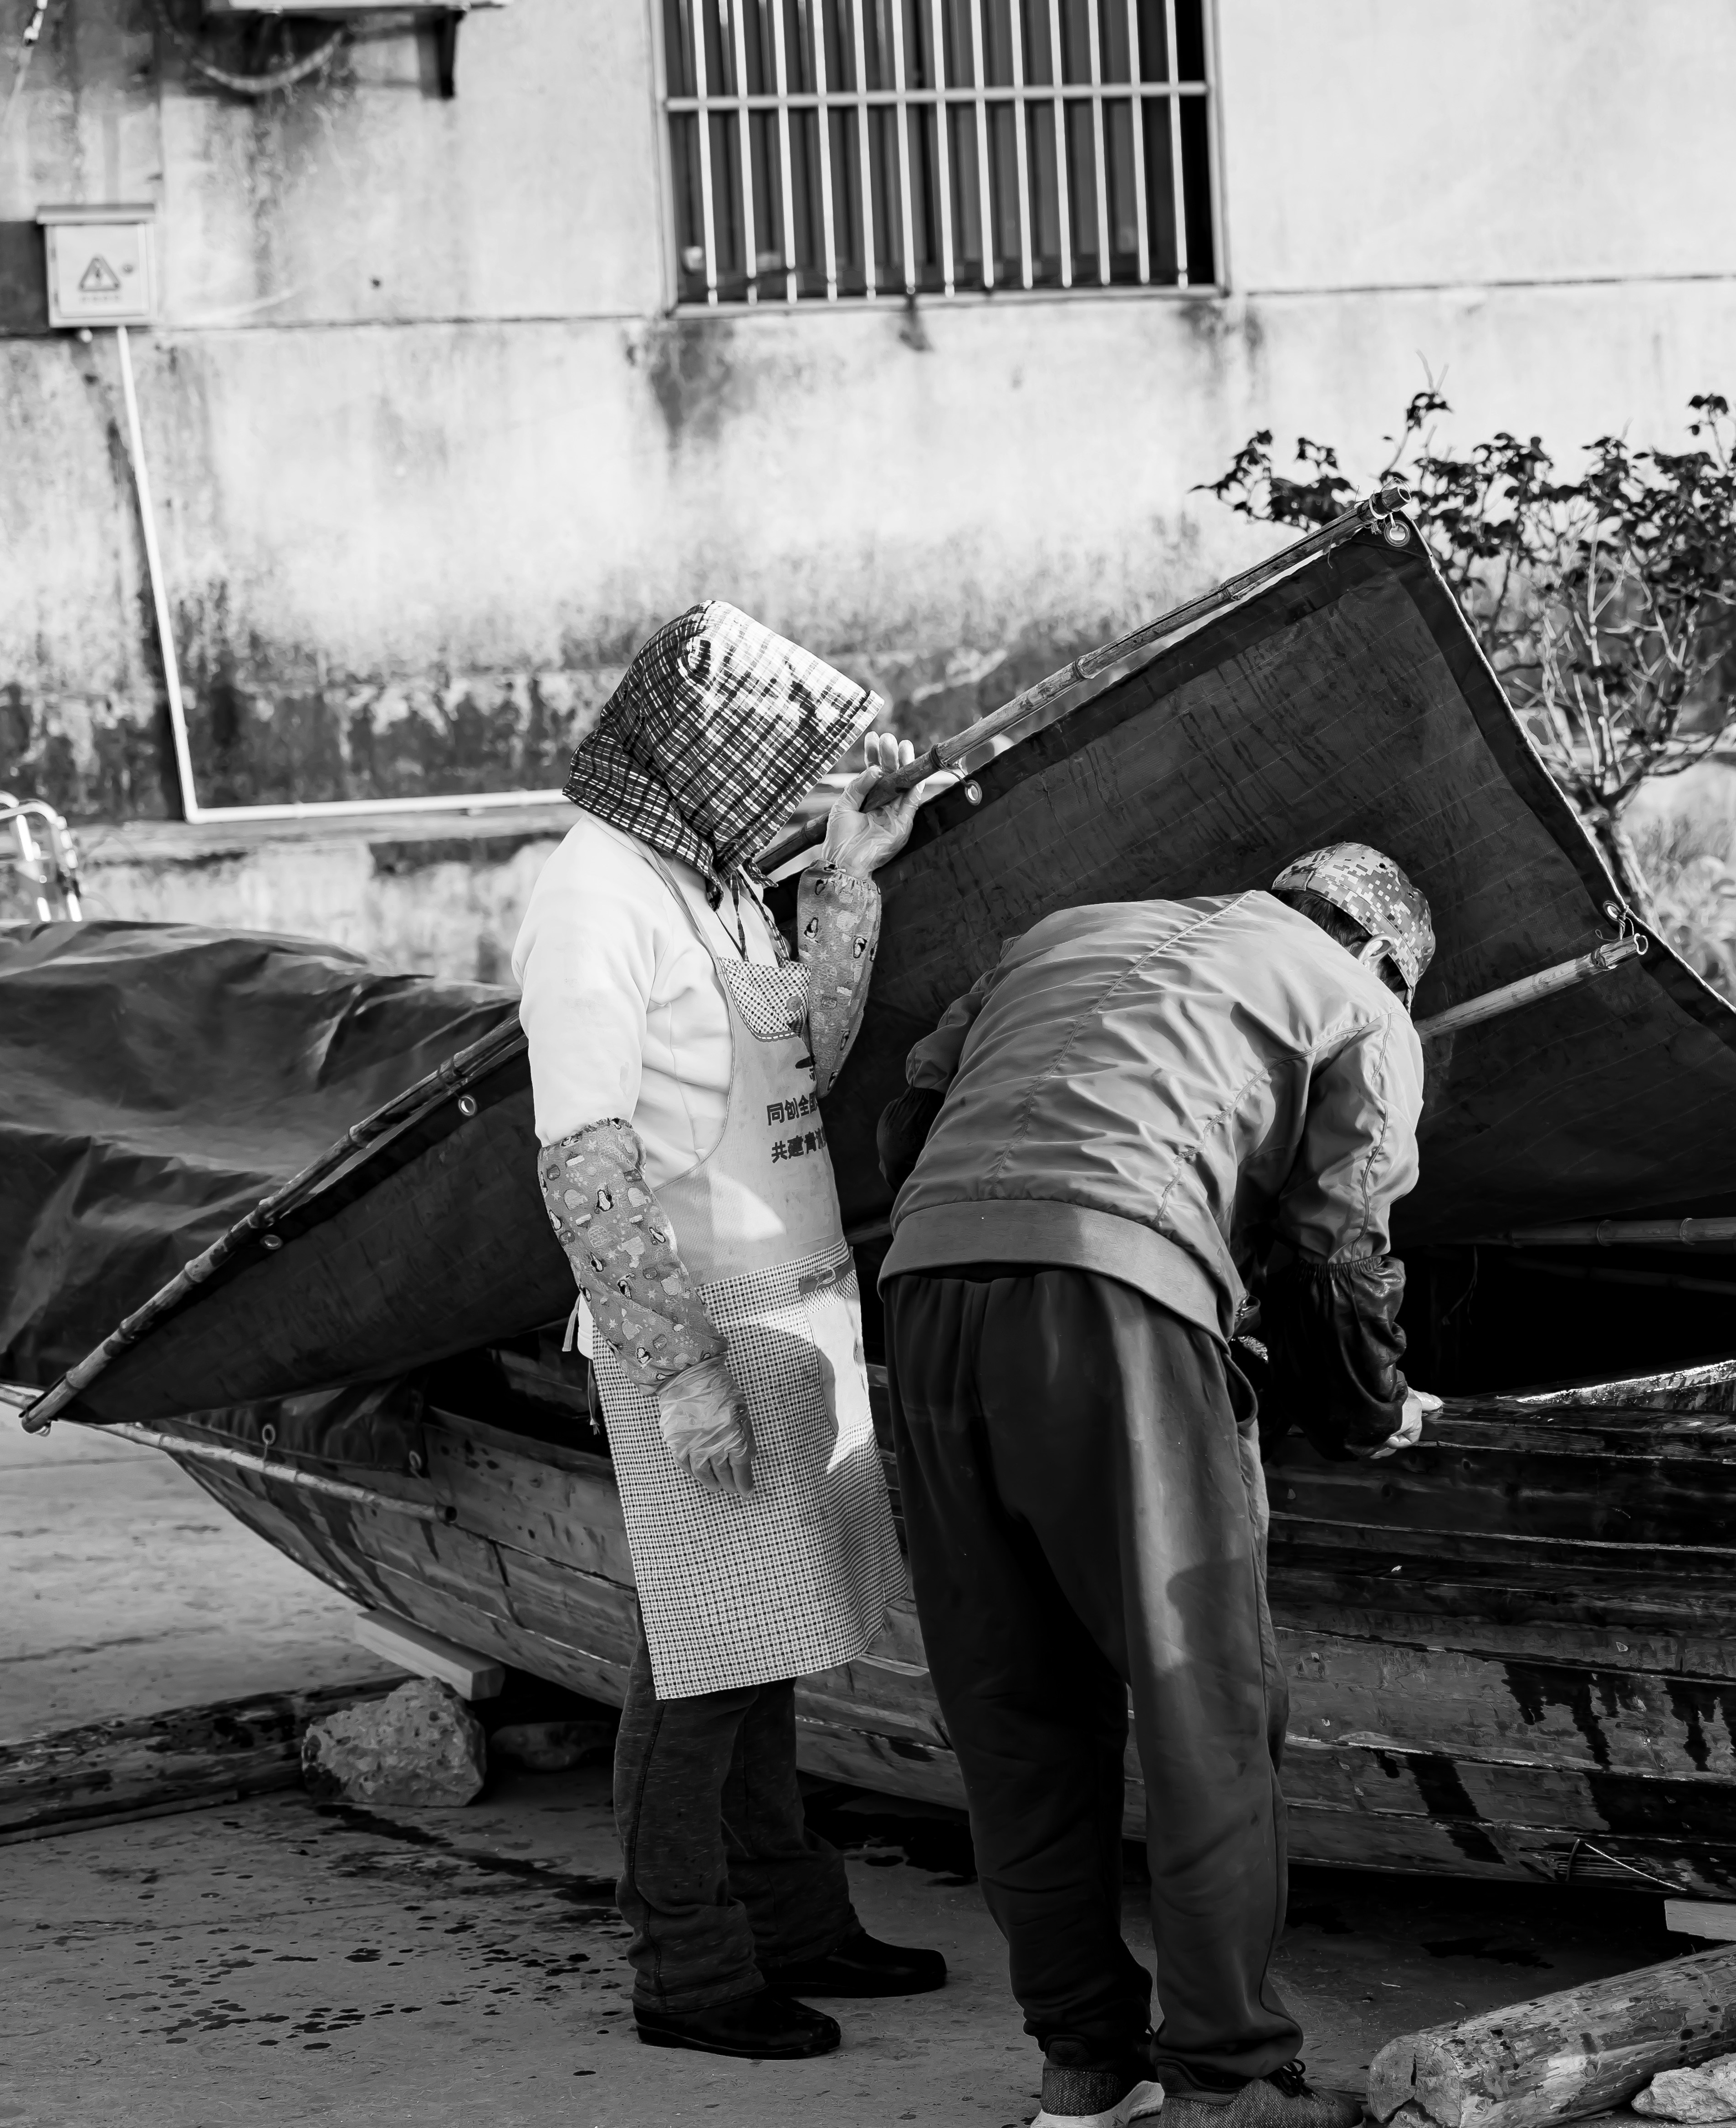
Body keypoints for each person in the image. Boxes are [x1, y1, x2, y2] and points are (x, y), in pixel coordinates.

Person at [874, 845, 1442, 2128]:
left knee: (1014, 1709)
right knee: (1204, 1713)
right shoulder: (1363, 1006)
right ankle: (1228, 2082)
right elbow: (1342, 1249)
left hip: (924, 1295)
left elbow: (910, 1116)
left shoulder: (1063, 926)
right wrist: (1368, 1407)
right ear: (1385, 953)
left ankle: (1084, 2067)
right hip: (1115, 1307)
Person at [514, 600, 957, 2061]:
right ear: (698, 750)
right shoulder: (596, 895)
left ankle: (796, 1921)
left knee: (762, 1651)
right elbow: (583, 1156)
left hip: (795, 1308)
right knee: (698, 1668)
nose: (786, 793)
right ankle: (692, 1976)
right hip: (696, 1332)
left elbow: (799, 1066)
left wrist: (847, 890)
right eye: (772, 765)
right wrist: (682, 1367)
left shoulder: (703, 878)